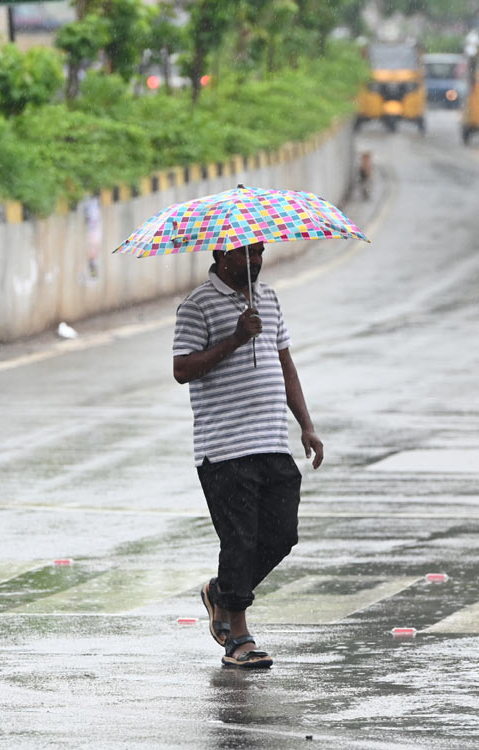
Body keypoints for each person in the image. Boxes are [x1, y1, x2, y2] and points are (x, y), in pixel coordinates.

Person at [172, 241, 324, 670]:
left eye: (259, 252)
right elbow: (182, 369)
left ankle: (221, 593)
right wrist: (236, 338)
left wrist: (306, 425)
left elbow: (285, 364)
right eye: (245, 254)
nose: (256, 261)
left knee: (281, 535)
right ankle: (238, 637)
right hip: (223, 448)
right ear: (222, 256)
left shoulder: (270, 298)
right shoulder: (196, 306)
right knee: (239, 540)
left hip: (272, 440)